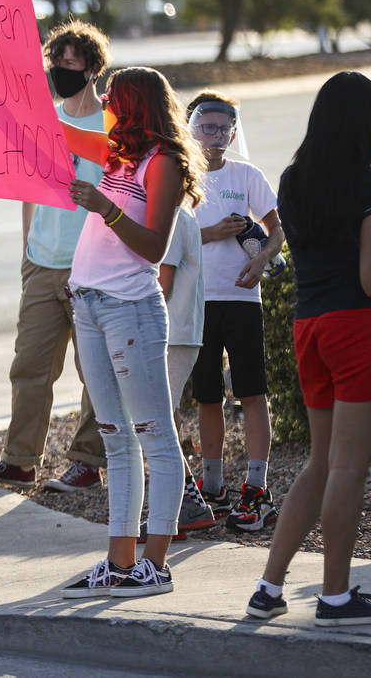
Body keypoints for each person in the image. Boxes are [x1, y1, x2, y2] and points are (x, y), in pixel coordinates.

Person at [247, 71, 371, 627]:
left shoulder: (293, 179)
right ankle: (335, 598)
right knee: (349, 469)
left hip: (309, 327)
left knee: (319, 462)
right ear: (361, 121)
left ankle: (269, 586)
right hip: (359, 327)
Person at [59, 66, 205, 599]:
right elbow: (50, 130)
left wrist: (105, 207)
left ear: (136, 105)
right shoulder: (117, 153)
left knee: (155, 438)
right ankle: (119, 564)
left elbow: (154, 248)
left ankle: (156, 565)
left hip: (131, 308)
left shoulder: (161, 161)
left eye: (113, 100)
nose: (105, 108)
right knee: (117, 440)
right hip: (91, 304)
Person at [0, 19, 109, 493]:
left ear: (93, 69)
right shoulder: (41, 119)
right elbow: (0, 115)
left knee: (95, 372)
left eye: (70, 63)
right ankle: (20, 460)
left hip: (92, 264)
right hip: (43, 261)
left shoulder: (110, 125)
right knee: (29, 367)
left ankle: (88, 462)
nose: (61, 70)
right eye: (56, 62)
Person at [186, 91, 284, 532]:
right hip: (198, 300)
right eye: (208, 126)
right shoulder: (181, 178)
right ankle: (213, 485)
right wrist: (210, 233)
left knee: (252, 392)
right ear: (190, 127)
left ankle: (256, 487)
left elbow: (277, 229)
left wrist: (261, 259)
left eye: (225, 127)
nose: (217, 135)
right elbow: (166, 236)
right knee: (207, 395)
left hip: (243, 299)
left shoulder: (246, 175)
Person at [135, 205, 217, 541]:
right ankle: (183, 506)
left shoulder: (173, 218)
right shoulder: (181, 217)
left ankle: (184, 507)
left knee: (156, 422)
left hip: (173, 333)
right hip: (178, 333)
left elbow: (161, 284)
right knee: (161, 419)